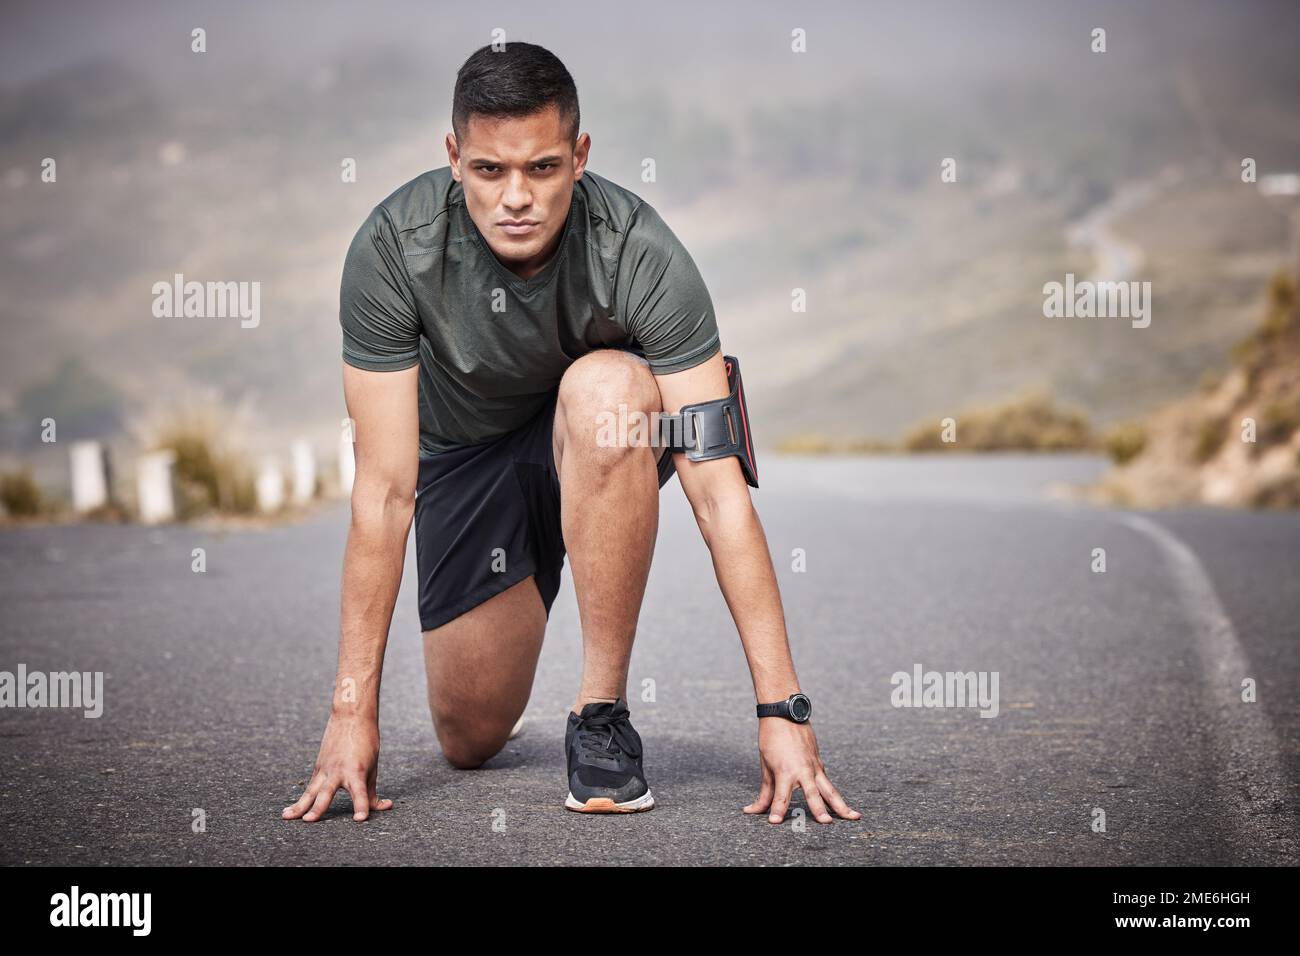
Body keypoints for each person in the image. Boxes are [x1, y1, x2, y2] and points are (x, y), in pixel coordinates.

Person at [282, 41, 859, 823]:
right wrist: (351, 713)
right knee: (468, 737)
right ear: (454, 158)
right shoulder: (392, 249)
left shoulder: (642, 252)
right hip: (464, 461)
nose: (516, 196)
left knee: (608, 388)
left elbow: (719, 495)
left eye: (543, 168)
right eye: (490, 170)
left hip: (596, 444)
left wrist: (782, 711)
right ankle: (531, 572)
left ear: (579, 156)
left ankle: (600, 714)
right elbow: (383, 494)